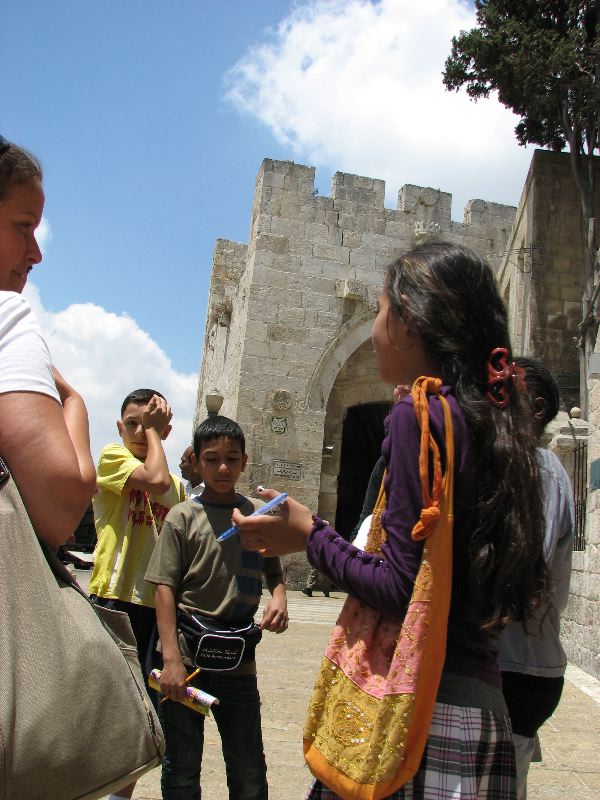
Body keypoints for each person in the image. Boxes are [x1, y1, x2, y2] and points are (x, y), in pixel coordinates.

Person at [234, 242, 551, 800]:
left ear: (408, 322)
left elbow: (401, 588)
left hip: (414, 720)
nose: (376, 328)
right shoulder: (497, 424)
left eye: (380, 311)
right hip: (481, 716)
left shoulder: (420, 415)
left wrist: (309, 534)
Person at [145, 414, 288, 800]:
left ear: (244, 461)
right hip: (187, 659)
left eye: (231, 458)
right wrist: (171, 660)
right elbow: (164, 588)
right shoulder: (182, 517)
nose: (222, 468)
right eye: (211, 459)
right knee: (182, 768)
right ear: (196, 461)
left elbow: (273, 569)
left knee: (248, 769)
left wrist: (279, 596)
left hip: (239, 662)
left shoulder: (257, 514)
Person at [89, 388, 185, 800]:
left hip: (154, 607)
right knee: (99, 706)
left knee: (140, 712)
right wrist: (154, 432)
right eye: (133, 424)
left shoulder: (178, 487)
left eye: (149, 425)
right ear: (119, 427)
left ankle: (119, 796)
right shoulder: (114, 457)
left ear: (165, 429)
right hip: (114, 597)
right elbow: (155, 479)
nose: (140, 433)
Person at [0, 134, 96, 546]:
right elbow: (60, 503)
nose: (35, 253)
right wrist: (73, 400)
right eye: (24, 226)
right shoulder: (7, 312)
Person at [498, 357, 574, 800]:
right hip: (513, 665)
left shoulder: (539, 467)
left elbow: (524, 572)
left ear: (537, 408)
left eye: (506, 391)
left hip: (518, 667)